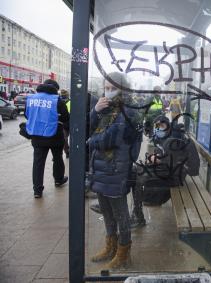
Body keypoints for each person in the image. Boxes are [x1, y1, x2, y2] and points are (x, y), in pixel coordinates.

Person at [88, 73, 141, 269]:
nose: (108, 91)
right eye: (106, 87)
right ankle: (110, 246)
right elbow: (88, 127)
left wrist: (90, 142)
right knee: (108, 213)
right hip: (101, 170)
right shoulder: (106, 108)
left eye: (112, 88)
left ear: (122, 88)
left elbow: (105, 140)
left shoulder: (129, 111)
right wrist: (95, 110)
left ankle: (123, 252)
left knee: (121, 215)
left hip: (116, 170)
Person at [25, 79, 69, 198]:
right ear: (55, 88)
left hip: (37, 135)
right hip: (55, 135)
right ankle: (58, 180)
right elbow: (65, 117)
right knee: (57, 158)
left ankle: (37, 190)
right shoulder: (57, 100)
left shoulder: (31, 98)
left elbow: (27, 114)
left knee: (38, 163)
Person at [59, 89, 71, 158]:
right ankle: (67, 152)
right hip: (66, 124)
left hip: (68, 123)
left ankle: (68, 151)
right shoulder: (60, 102)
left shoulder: (60, 102)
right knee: (65, 139)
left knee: (65, 139)